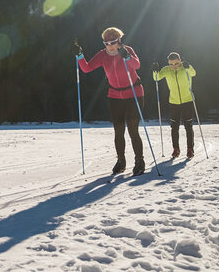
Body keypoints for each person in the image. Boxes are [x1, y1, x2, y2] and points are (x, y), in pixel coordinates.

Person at [73, 27, 145, 176]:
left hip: (134, 93)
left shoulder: (127, 50)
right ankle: (121, 161)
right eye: (106, 43)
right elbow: (86, 68)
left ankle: (139, 161)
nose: (110, 46)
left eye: (112, 42)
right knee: (118, 131)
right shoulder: (102, 55)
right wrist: (80, 56)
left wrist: (126, 57)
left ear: (119, 40)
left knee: (133, 130)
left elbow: (137, 65)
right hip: (115, 96)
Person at [151, 53, 196, 158]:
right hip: (174, 102)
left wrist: (188, 67)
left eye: (176, 63)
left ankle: (190, 149)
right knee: (174, 127)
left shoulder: (185, 68)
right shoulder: (166, 70)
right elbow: (156, 78)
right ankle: (176, 149)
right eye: (171, 64)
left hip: (187, 100)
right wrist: (155, 71)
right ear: (168, 63)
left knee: (188, 126)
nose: (174, 66)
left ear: (180, 60)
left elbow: (193, 73)